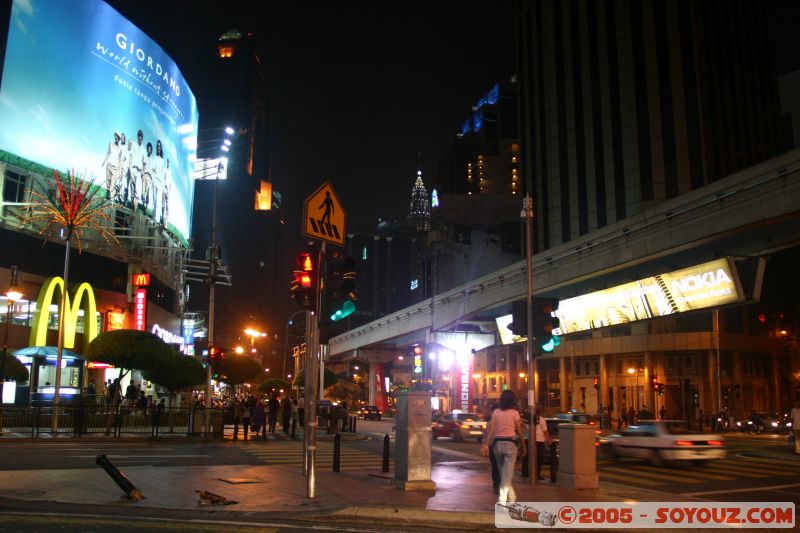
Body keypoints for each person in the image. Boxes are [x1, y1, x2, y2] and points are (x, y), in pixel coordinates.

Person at [480, 390, 526, 504]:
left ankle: (512, 497)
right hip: (510, 444)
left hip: (497, 445)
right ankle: (502, 500)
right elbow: (520, 431)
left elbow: (492, 430)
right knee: (507, 475)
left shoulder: (496, 412)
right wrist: (524, 445)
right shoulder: (514, 413)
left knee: (503, 474)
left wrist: (486, 444)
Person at [482, 402, 500, 494]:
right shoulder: (499, 422)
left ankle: (496, 484)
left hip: (492, 446)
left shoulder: (489, 422)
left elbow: (485, 436)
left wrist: (485, 445)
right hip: (498, 446)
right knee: (500, 466)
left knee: (495, 466)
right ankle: (499, 484)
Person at [532, 404, 553, 481]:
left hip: (532, 441)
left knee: (533, 458)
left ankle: (533, 473)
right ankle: (537, 474)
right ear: (541, 411)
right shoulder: (542, 419)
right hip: (540, 441)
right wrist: (549, 440)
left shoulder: (530, 419)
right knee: (540, 458)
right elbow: (545, 431)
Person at [101, 131, 122, 200]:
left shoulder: (120, 149)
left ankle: (111, 200)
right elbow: (108, 153)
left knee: (113, 184)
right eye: (116, 136)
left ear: (119, 139)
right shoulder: (110, 144)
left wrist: (119, 172)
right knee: (108, 182)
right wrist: (104, 161)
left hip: (115, 168)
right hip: (109, 165)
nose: (116, 138)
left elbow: (119, 161)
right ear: (114, 136)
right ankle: (107, 197)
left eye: (118, 137)